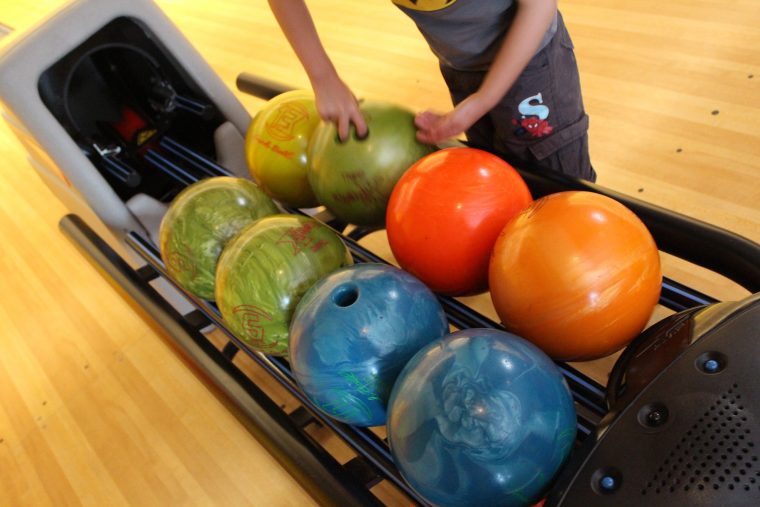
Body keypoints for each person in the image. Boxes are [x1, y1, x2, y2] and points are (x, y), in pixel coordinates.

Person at [267, 0, 595, 181]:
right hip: (460, 66)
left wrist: (483, 100)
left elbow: (538, 6)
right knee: (500, 173)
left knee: (558, 185)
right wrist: (323, 76)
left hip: (533, 63)